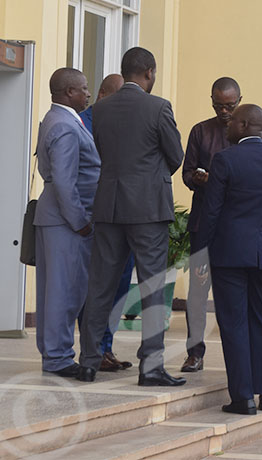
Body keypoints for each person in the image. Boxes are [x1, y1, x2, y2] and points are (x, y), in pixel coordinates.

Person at [77, 47, 185, 386]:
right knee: (152, 286)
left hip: (108, 206)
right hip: (148, 209)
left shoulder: (100, 109)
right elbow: (176, 156)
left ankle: (89, 362)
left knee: (100, 287)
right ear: (149, 72)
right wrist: (150, 176)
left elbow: (102, 152)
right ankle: (151, 367)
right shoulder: (158, 107)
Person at [200, 104, 262, 414]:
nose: (226, 126)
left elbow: (211, 211)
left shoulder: (225, 160)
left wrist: (201, 251)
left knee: (233, 322)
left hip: (228, 253)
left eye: (231, 122)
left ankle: (242, 397)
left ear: (242, 125)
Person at [181, 77, 262, 372]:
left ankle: (243, 355)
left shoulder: (256, 131)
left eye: (230, 106)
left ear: (240, 100)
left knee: (237, 292)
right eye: (218, 105)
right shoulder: (201, 131)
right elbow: (187, 173)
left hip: (238, 226)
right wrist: (200, 179)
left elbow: (261, 171)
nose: (224, 112)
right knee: (197, 292)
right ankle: (195, 352)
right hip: (204, 222)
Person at [33, 68, 100, 378]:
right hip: (66, 220)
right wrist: (81, 222)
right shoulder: (66, 126)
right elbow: (63, 180)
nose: (88, 93)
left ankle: (53, 354)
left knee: (53, 289)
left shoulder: (54, 118)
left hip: (54, 217)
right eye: (84, 88)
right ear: (69, 92)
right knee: (65, 290)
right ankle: (58, 357)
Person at [78, 73, 134, 372]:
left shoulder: (124, 122)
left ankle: (106, 348)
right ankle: (92, 350)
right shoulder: (81, 122)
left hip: (124, 216)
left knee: (119, 286)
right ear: (102, 94)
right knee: (96, 288)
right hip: (93, 216)